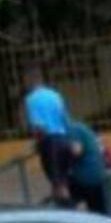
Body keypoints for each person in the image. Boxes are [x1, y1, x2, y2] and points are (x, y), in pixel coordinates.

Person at [23, 65, 73, 202]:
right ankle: (60, 205)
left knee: (58, 183)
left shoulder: (31, 99)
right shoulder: (55, 95)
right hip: (64, 139)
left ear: (29, 80)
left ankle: (67, 209)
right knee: (61, 180)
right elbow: (66, 119)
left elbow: (39, 127)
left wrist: (36, 144)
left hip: (49, 142)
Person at [66, 120, 111, 216]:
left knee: (99, 213)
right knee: (103, 212)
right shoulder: (80, 128)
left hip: (91, 179)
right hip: (98, 176)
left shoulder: (73, 130)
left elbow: (77, 150)